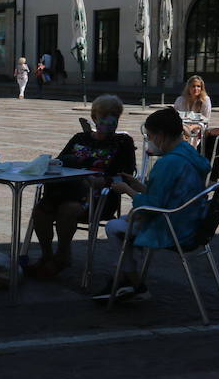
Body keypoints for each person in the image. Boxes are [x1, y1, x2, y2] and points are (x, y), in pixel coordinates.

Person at [94, 107, 210, 302]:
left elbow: (153, 205)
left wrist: (128, 190)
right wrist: (139, 186)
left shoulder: (168, 163)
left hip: (173, 226)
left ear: (161, 135)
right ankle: (124, 279)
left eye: (150, 135)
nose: (150, 140)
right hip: (192, 221)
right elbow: (167, 194)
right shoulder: (189, 153)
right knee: (126, 224)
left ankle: (135, 283)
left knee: (114, 227)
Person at [26, 94, 137, 278]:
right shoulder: (80, 138)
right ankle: (46, 256)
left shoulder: (123, 142)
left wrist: (105, 181)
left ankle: (61, 257)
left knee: (67, 210)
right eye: (105, 116)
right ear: (95, 117)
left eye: (114, 116)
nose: (110, 121)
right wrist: (74, 161)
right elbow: (59, 161)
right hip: (67, 190)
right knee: (41, 210)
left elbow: (127, 176)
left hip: (99, 197)